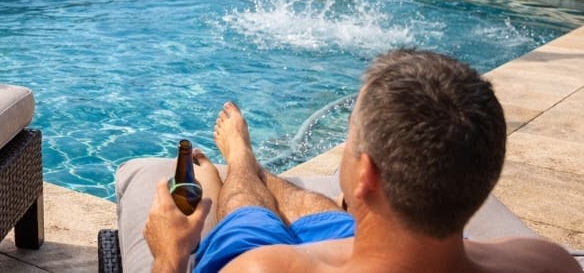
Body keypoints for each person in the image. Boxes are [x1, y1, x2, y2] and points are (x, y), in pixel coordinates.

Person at [142, 49, 578, 273]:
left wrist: (169, 252)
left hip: (272, 253)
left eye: (350, 137)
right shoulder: (547, 263)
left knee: (247, 213)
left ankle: (239, 160)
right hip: (367, 242)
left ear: (366, 173)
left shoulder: (260, 269)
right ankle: (250, 166)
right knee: (315, 208)